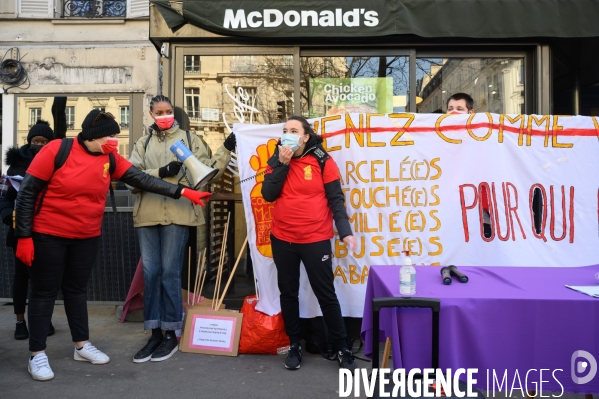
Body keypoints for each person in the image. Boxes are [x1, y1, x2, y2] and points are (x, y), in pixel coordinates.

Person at [14, 109, 211, 381]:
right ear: (93, 136)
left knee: (76, 290)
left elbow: (142, 179)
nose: (114, 140)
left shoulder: (109, 157)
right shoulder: (56, 150)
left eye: (116, 135)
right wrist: (24, 236)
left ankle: (81, 345)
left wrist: (182, 191)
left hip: (86, 235)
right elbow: (27, 193)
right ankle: (37, 354)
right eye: (110, 135)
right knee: (44, 292)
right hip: (49, 234)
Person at [128, 95, 235, 363]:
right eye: (159, 112)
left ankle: (171, 333)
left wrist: (226, 148)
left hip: (179, 215)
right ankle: (153, 331)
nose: (164, 115)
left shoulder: (189, 139)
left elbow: (208, 171)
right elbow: (131, 179)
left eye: (168, 111)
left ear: (173, 113)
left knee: (169, 273)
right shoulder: (143, 143)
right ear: (151, 114)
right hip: (148, 216)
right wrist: (161, 171)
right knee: (151, 273)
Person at [261, 115, 357, 371]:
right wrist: (282, 163)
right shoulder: (276, 158)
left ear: (305, 137)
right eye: (284, 130)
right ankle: (294, 345)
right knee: (288, 293)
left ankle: (343, 347)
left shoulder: (323, 161)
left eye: (293, 130)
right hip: (283, 238)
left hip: (315, 239)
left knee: (326, 294)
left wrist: (346, 232)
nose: (287, 134)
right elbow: (268, 195)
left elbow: (336, 199)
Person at [0, 120, 55, 340]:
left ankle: (41, 319)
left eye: (44, 142)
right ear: (29, 141)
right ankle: (20, 321)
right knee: (21, 277)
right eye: (35, 141)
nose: (39, 145)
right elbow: (4, 197)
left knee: (43, 279)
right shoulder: (16, 166)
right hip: (20, 230)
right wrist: (7, 216)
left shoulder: (57, 164)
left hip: (48, 231)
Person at [446, 92, 491, 238]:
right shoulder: (439, 141)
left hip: (479, 210)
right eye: (450, 108)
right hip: (450, 210)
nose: (454, 112)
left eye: (459, 109)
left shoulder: (483, 138)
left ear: (470, 113)